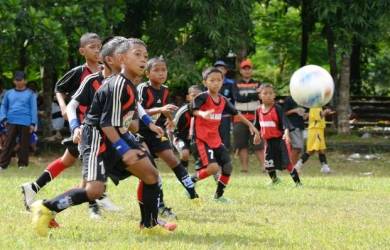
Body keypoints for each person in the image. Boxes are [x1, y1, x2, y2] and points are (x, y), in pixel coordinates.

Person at [30, 38, 176, 237]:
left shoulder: (128, 83)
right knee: (94, 191)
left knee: (151, 175)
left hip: (116, 136)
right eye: (137, 54)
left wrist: (147, 124)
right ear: (118, 59)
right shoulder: (112, 84)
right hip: (97, 138)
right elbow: (105, 122)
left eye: (145, 56)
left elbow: (131, 111)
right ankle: (47, 207)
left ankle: (149, 225)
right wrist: (123, 148)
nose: (143, 60)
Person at [21, 33, 119, 217]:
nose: (97, 50)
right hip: (83, 127)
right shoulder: (79, 72)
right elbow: (59, 88)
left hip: (97, 127)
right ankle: (94, 205)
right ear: (82, 51)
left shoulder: (105, 72)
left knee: (67, 160)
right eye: (92, 47)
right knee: (90, 162)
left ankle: (33, 187)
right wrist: (65, 107)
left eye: (99, 46)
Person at [137, 57, 199, 218]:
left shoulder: (164, 89)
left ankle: (192, 192)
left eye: (163, 70)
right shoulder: (142, 89)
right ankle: (160, 206)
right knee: (151, 171)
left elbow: (163, 111)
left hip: (156, 132)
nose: (161, 73)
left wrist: (170, 121)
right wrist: (160, 108)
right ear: (147, 73)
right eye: (156, 70)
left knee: (173, 160)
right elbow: (138, 111)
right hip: (139, 134)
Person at [190, 67, 260, 202]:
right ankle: (189, 181)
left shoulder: (223, 100)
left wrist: (252, 126)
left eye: (218, 80)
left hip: (215, 140)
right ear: (205, 82)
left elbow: (237, 113)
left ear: (222, 82)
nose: (215, 83)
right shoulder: (202, 97)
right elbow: (193, 109)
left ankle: (218, 196)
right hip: (202, 139)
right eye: (212, 80)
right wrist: (202, 113)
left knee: (228, 166)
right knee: (213, 168)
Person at [253, 84, 302, 186]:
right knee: (268, 164)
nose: (268, 96)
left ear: (274, 95)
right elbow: (257, 125)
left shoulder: (277, 108)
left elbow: (285, 123)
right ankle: (275, 180)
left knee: (287, 163)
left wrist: (286, 133)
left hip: (280, 141)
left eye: (271, 93)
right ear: (260, 96)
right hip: (268, 142)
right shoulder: (258, 110)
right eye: (265, 93)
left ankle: (298, 182)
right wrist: (256, 135)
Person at [0, 71, 37, 170]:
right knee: (8, 143)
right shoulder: (8, 93)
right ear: (13, 81)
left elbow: (33, 109)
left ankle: (23, 164)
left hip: (26, 121)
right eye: (16, 80)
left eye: (20, 80)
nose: (18, 82)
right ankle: (2, 165)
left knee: (24, 143)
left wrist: (33, 123)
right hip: (11, 121)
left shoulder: (31, 94)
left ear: (25, 81)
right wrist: (3, 119)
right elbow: (3, 107)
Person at [233, 59, 264, 173]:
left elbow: (260, 97)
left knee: (258, 143)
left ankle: (264, 167)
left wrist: (248, 96)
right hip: (239, 117)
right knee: (241, 144)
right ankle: (244, 168)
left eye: (249, 68)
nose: (246, 71)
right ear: (240, 71)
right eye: (244, 69)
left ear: (252, 70)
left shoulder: (258, 83)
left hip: (255, 116)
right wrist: (253, 94)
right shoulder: (235, 83)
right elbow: (237, 98)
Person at [294, 107, 335, 173]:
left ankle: (325, 168)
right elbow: (318, 117)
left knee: (321, 149)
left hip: (318, 129)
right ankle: (297, 166)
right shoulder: (315, 106)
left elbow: (316, 115)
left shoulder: (317, 106)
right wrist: (326, 112)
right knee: (311, 150)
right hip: (315, 130)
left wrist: (325, 112)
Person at [172, 85, 203, 170]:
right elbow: (173, 125)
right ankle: (184, 174)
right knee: (185, 153)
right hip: (180, 137)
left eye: (199, 96)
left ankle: (216, 176)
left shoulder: (205, 110)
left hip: (198, 138)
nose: (196, 98)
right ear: (188, 97)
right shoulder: (183, 111)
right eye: (193, 96)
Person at [214, 60, 235, 150]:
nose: (219, 70)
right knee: (214, 134)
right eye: (217, 68)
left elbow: (234, 99)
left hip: (225, 114)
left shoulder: (231, 83)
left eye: (222, 68)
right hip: (213, 115)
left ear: (225, 71)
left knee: (225, 135)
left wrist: (232, 111)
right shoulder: (210, 82)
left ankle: (225, 152)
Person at [283, 96, 307, 165]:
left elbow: (304, 113)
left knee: (299, 149)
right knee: (297, 147)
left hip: (300, 125)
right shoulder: (289, 99)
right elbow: (284, 113)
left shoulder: (303, 99)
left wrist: (304, 115)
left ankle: (294, 167)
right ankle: (291, 167)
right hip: (293, 125)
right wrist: (295, 110)